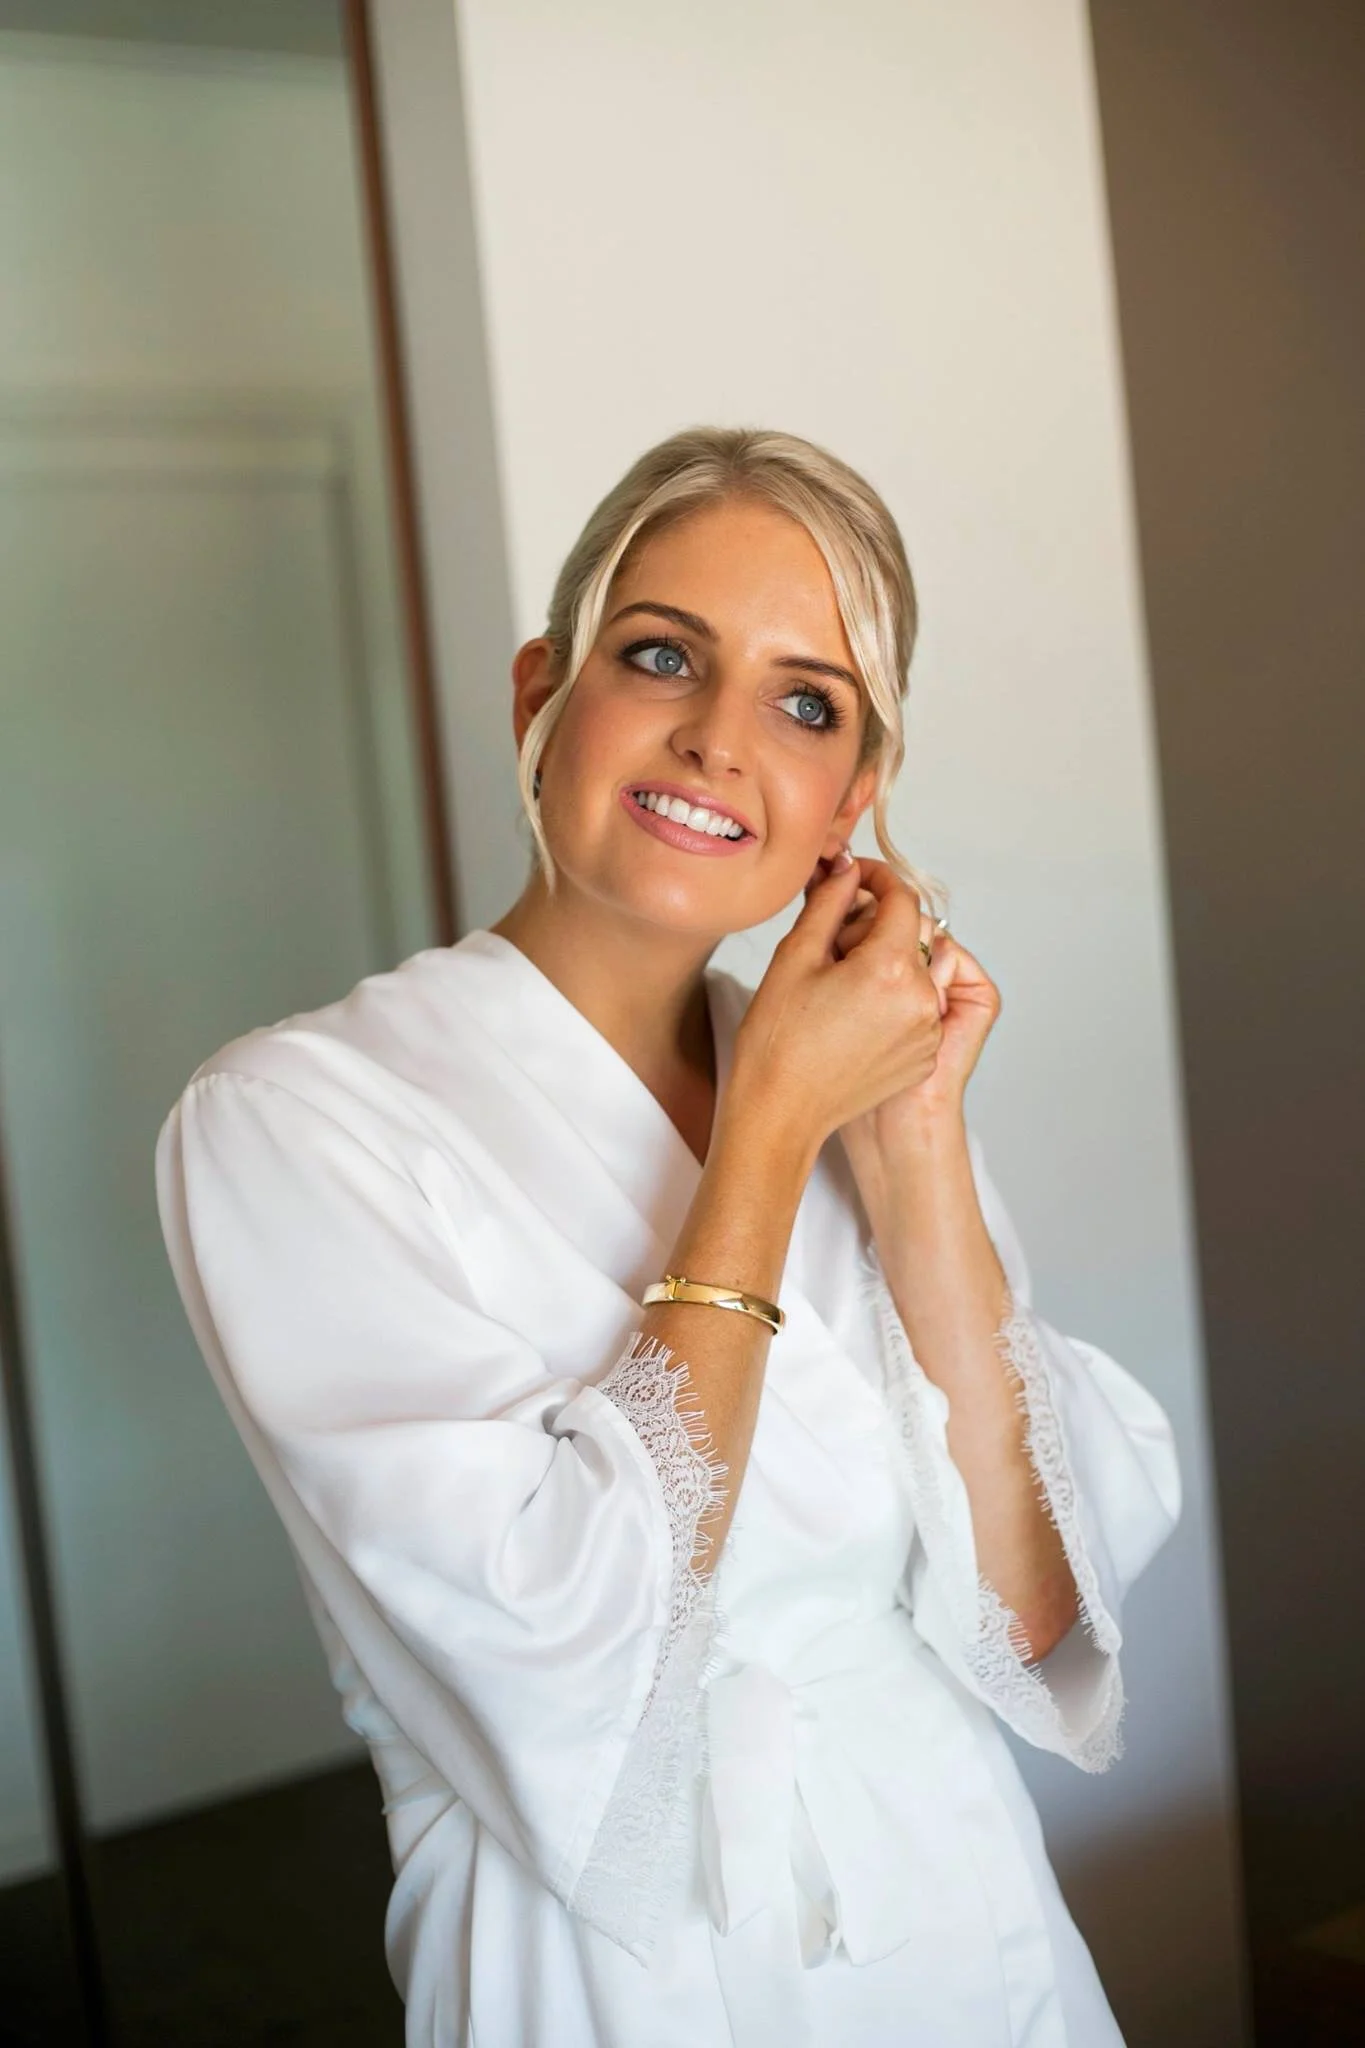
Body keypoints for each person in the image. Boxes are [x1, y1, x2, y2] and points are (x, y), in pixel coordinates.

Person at [155, 426, 1181, 2047]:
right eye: (660, 657)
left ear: (855, 800)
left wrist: (914, 1149)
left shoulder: (865, 1095)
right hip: (619, 1978)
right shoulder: (296, 1120)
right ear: (539, 700)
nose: (717, 742)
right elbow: (561, 1649)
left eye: (805, 701)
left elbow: (1037, 1623)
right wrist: (766, 1126)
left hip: (968, 1935)